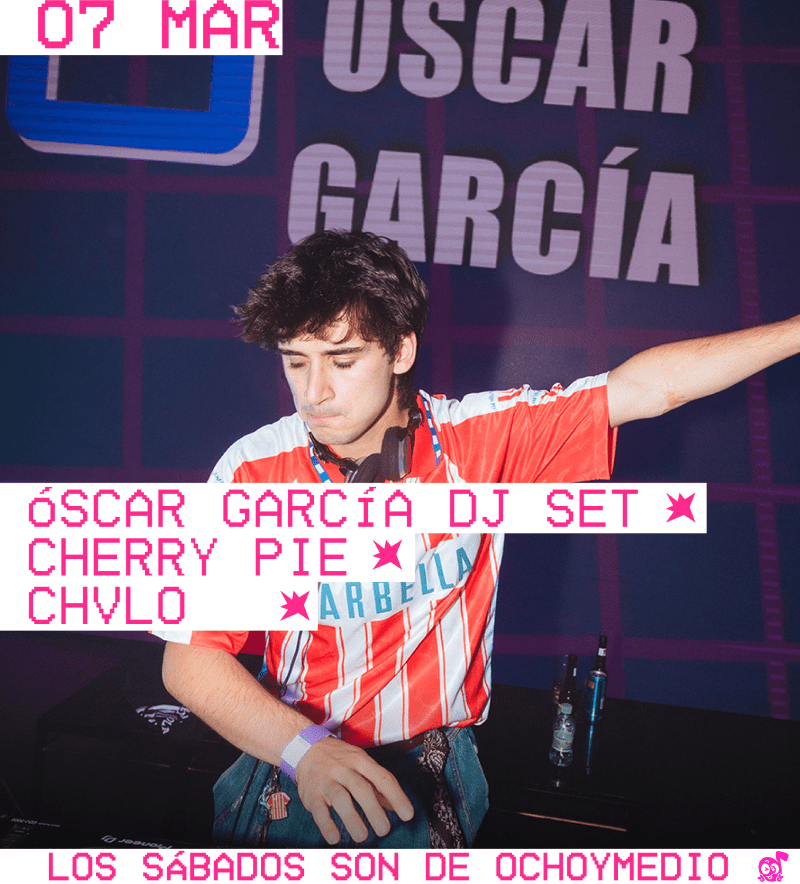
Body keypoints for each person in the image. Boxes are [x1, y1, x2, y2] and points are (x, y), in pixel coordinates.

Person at [155, 230, 800, 849]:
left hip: (433, 762)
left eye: (342, 360)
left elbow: (647, 389)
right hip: (293, 757)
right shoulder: (253, 469)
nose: (313, 392)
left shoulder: (479, 440)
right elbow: (189, 661)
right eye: (297, 362)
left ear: (401, 351)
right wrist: (305, 751)